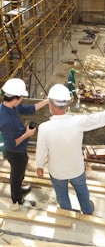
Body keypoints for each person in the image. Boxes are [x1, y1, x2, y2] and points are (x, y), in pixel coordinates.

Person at [36, 83, 105, 214]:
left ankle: (66, 213)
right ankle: (87, 210)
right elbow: (99, 118)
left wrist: (39, 166)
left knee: (61, 195)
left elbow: (41, 150)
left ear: (50, 104)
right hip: (76, 168)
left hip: (57, 171)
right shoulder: (77, 122)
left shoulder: (44, 128)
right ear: (66, 105)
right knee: (82, 190)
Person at [0, 78, 48, 206]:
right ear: (16, 98)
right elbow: (11, 144)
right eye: (21, 97)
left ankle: (19, 189)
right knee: (16, 175)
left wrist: (46, 101)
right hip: (14, 152)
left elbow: (28, 109)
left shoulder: (12, 106)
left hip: (20, 149)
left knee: (20, 171)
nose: (22, 99)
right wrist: (27, 134)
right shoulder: (6, 119)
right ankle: (16, 198)